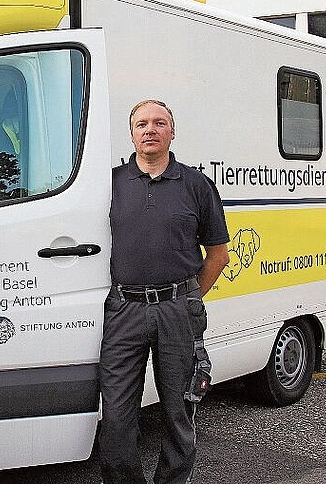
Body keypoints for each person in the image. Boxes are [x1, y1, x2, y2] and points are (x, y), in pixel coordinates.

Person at [99, 100, 230, 484]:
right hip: (124, 310)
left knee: (178, 411)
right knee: (118, 417)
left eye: (160, 123)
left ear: (173, 132)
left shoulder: (196, 184)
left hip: (178, 311)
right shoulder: (110, 183)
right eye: (142, 124)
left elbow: (218, 255)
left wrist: (187, 297)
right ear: (132, 134)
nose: (150, 129)